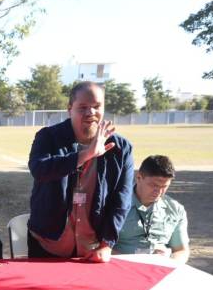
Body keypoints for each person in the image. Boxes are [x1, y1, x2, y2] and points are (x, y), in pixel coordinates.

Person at [28, 81, 134, 263]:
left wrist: (107, 244)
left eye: (96, 106)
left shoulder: (121, 148)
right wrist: (86, 154)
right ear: (70, 109)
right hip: (48, 244)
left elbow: (121, 199)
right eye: (83, 107)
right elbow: (39, 170)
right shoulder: (48, 137)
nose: (90, 113)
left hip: (91, 249)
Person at [114, 155, 190, 262]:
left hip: (161, 269)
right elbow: (98, 246)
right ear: (139, 177)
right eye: (153, 185)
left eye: (164, 187)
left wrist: (171, 264)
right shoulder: (114, 204)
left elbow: (181, 250)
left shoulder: (175, 209)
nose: (158, 192)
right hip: (122, 267)